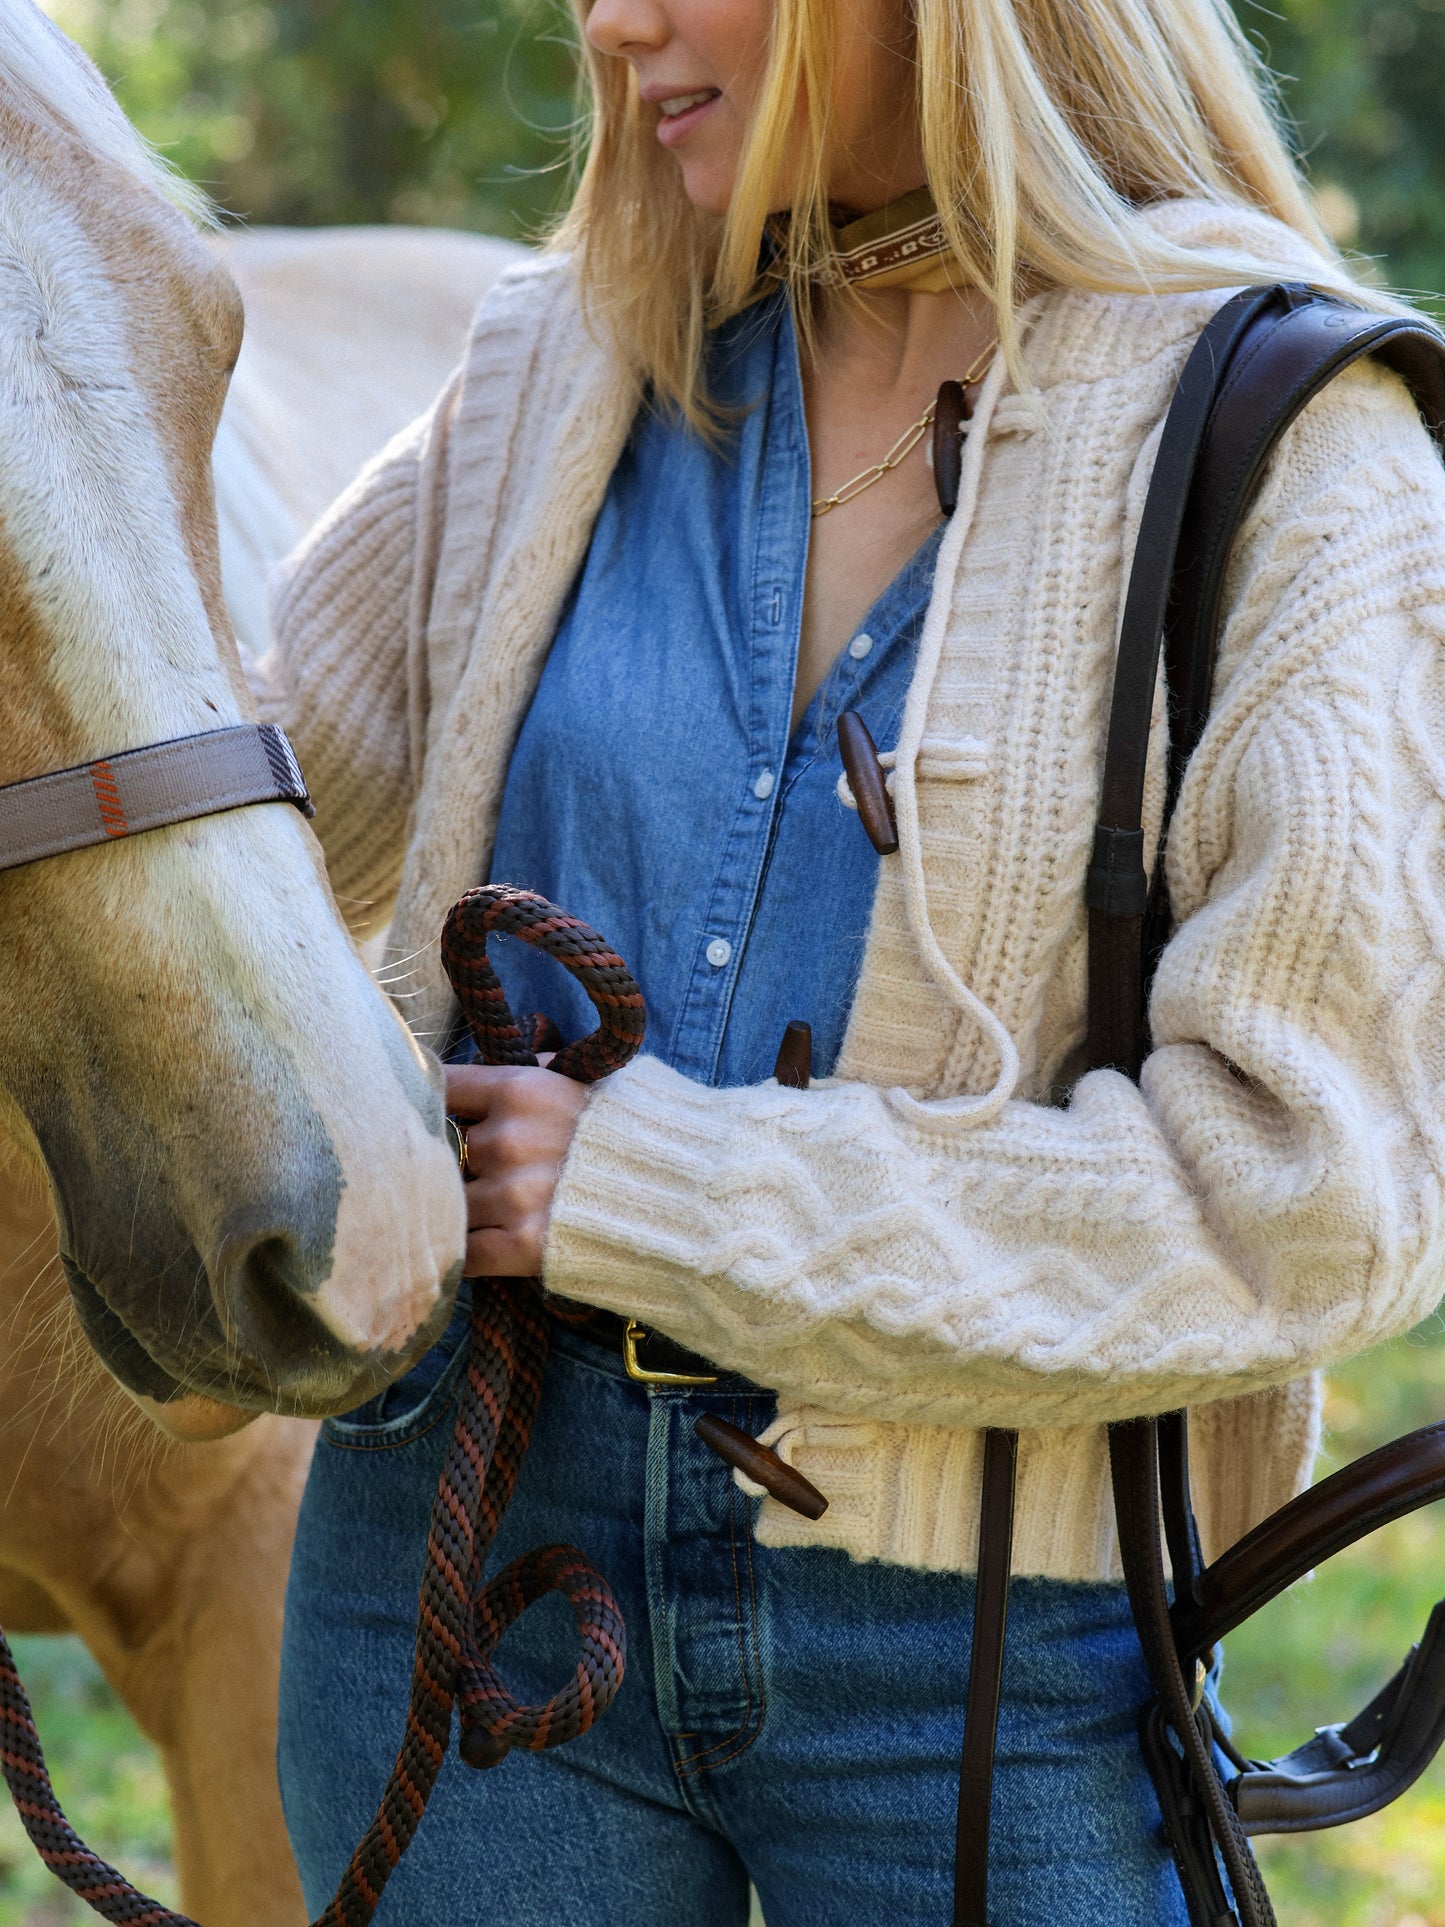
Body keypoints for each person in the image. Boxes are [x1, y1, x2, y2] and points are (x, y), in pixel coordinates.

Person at [265, 0, 1445, 1921]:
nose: (607, 20)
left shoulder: (1294, 442)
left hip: (991, 1661)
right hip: (456, 1567)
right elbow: (230, 817)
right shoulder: (560, 364)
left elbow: (1313, 1202)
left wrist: (652, 1192)